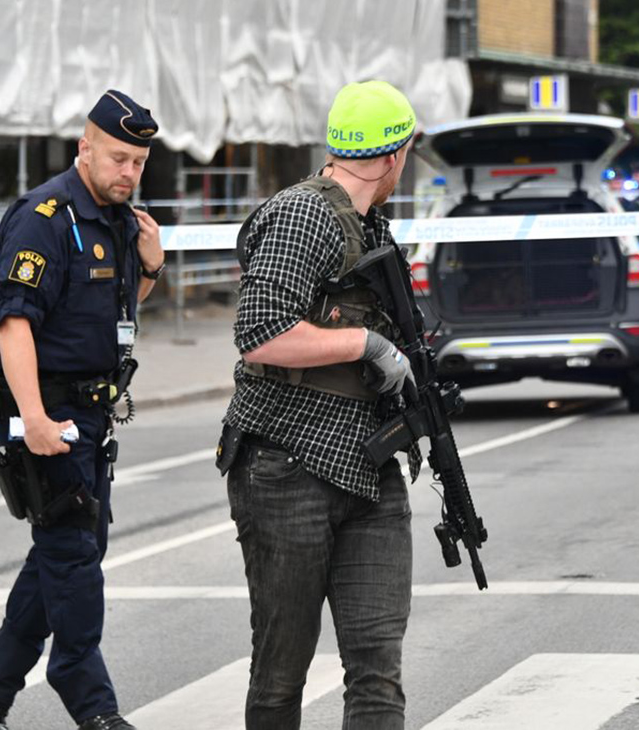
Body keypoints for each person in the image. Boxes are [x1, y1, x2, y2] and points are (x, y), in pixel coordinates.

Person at [0, 90, 164, 730]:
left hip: (92, 415)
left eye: (138, 162)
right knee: (73, 553)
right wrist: (35, 422)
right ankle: (91, 703)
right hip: (42, 410)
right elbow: (14, 325)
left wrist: (151, 268)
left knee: (68, 546)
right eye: (117, 158)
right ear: (85, 148)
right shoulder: (44, 218)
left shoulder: (121, 219)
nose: (128, 172)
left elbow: (113, 314)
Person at [219, 80, 418, 729]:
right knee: (281, 676)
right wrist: (366, 344)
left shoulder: (371, 224)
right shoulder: (305, 214)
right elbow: (260, 334)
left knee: (376, 670)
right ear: (395, 155)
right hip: (286, 468)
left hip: (368, 468)